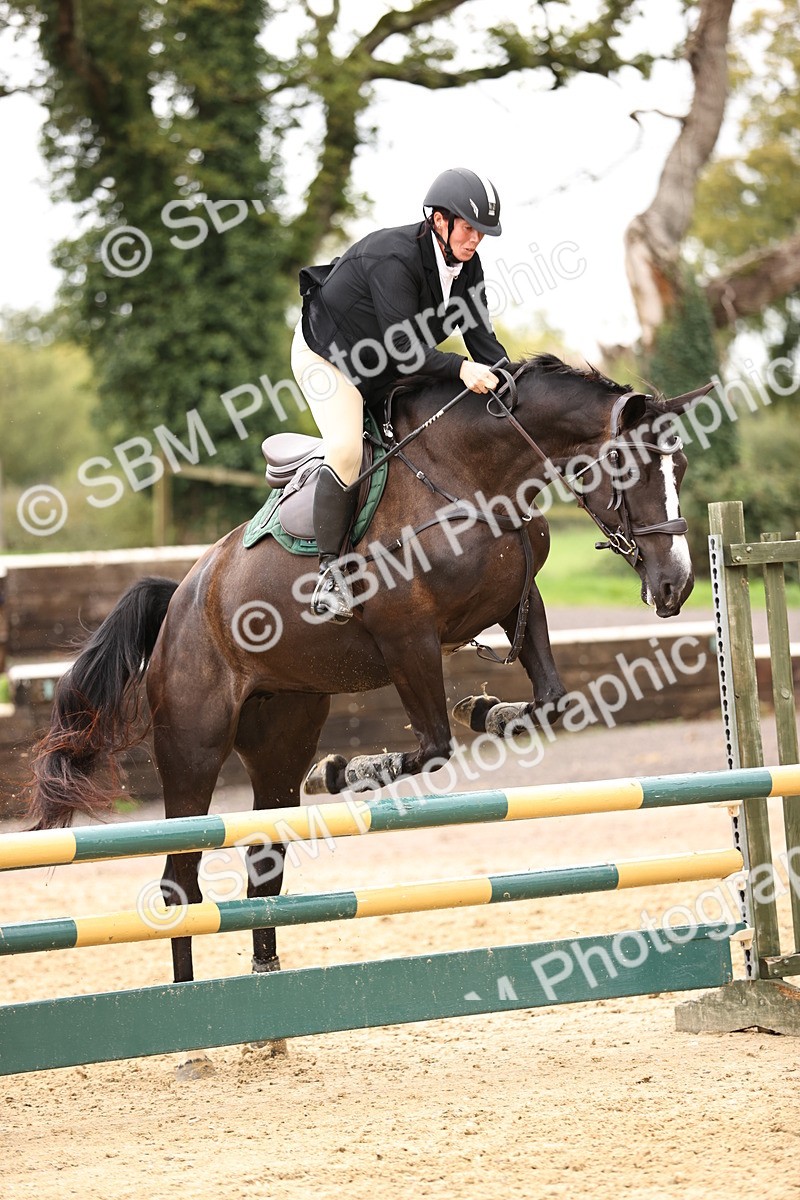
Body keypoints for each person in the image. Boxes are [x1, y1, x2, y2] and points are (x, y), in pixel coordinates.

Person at [291, 166, 508, 620]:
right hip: (329, 357)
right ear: (439, 220)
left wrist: (513, 386)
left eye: (482, 233)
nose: (475, 240)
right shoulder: (395, 257)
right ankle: (329, 575)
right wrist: (462, 368)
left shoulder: (466, 266)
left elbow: (482, 340)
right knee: (348, 449)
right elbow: (405, 350)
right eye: (469, 228)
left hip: (386, 362)